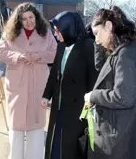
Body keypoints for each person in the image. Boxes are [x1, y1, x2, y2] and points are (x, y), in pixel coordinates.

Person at [84, 6, 136, 159]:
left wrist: (93, 95)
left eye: (97, 34)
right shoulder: (123, 49)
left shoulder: (126, 53)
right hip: (118, 131)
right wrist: (98, 44)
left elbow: (123, 96)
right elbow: (102, 67)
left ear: (109, 26)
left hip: (120, 136)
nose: (97, 39)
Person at [0, 2, 57, 159]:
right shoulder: (10, 34)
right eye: (24, 19)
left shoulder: (46, 34)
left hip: (38, 85)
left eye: (31, 17)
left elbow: (55, 53)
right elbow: (1, 52)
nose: (29, 21)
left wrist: (39, 56)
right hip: (17, 86)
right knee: (16, 129)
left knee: (36, 128)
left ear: (36, 17)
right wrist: (17, 57)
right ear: (18, 21)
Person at [41, 11, 102, 159]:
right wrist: (46, 95)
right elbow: (55, 73)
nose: (56, 34)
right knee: (55, 144)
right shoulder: (62, 46)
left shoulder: (89, 46)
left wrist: (91, 107)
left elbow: (94, 81)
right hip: (59, 104)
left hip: (78, 110)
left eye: (57, 30)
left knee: (71, 148)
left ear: (69, 28)